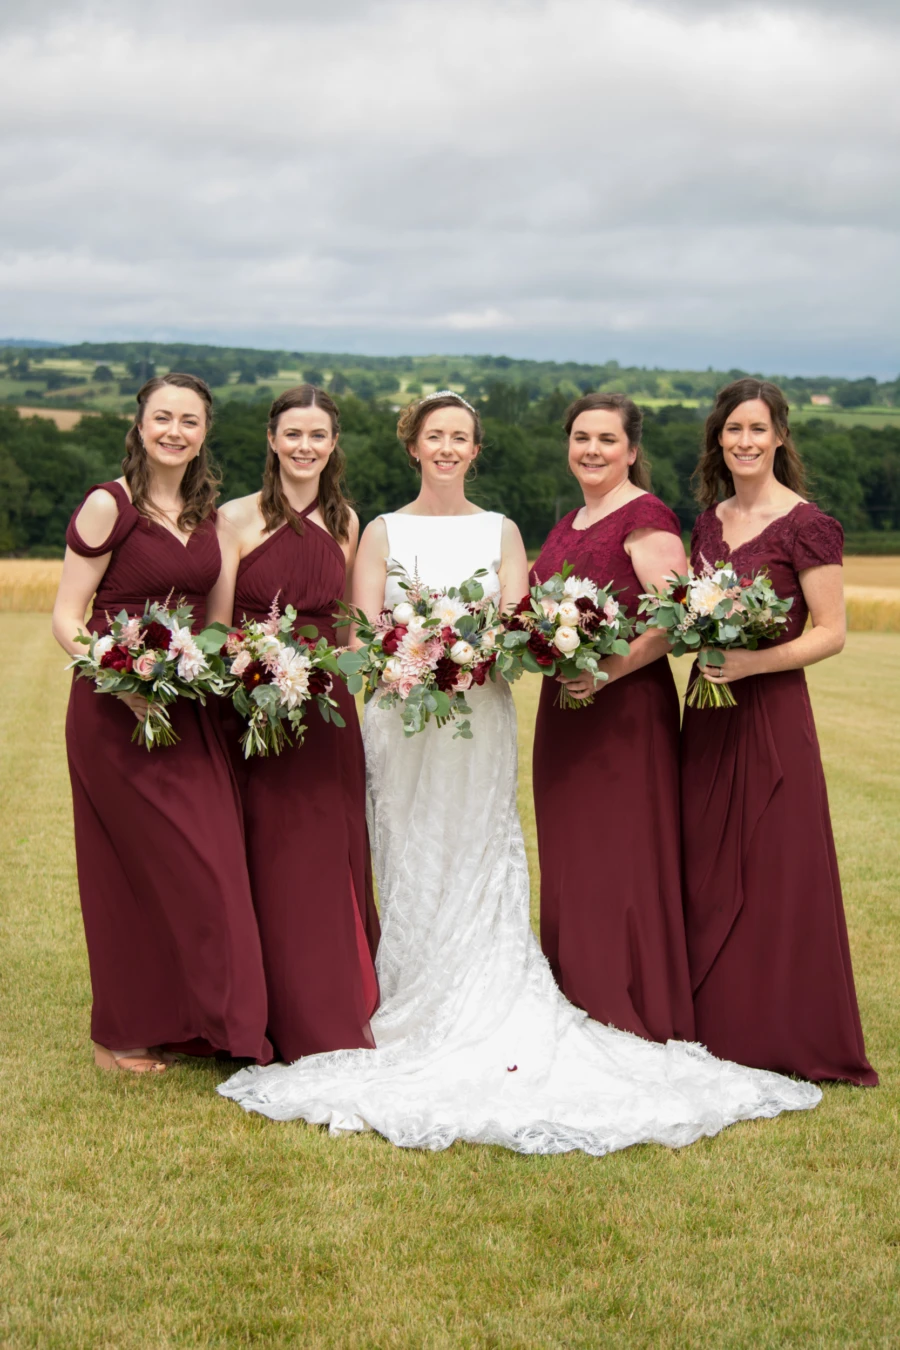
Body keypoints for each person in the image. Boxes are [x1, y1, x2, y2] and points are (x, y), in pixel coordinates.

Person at [219, 390, 820, 1157]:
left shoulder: (503, 530)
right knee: (404, 851)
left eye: (460, 437)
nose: (446, 448)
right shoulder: (377, 530)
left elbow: (516, 622)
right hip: (401, 719)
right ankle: (398, 993)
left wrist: (466, 651)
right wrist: (413, 654)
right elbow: (362, 629)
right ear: (414, 447)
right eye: (434, 436)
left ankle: (492, 991)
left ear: (476, 450)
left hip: (480, 715)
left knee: (476, 848)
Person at [52, 373, 270, 1073]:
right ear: (139, 424)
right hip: (115, 715)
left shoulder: (210, 517)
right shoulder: (106, 506)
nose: (175, 431)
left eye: (190, 421)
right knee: (127, 872)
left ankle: (205, 1025)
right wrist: (119, 679)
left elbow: (212, 625)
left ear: (206, 432)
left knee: (213, 865)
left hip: (189, 709)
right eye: (163, 418)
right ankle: (118, 1037)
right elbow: (66, 616)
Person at [681, 378, 877, 1086]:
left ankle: (781, 1026)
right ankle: (714, 1021)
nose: (743, 441)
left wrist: (753, 662)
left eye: (757, 429)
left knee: (775, 864)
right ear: (719, 440)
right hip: (705, 712)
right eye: (732, 429)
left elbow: (832, 633)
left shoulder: (807, 525)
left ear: (780, 437)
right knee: (704, 861)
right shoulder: (707, 521)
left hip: (770, 712)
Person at [207, 385, 379, 1062]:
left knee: (321, 846)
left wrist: (324, 670)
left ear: (333, 445)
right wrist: (259, 668)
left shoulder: (347, 522)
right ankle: (259, 1006)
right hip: (250, 697)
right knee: (259, 847)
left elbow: (347, 623)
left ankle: (330, 996)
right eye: (294, 434)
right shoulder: (235, 519)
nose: (306, 446)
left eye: (319, 435)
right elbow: (219, 625)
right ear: (272, 440)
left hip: (325, 701)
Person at [531, 393, 694, 1042]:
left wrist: (607, 670)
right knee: (570, 857)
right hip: (564, 714)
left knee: (618, 857)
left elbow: (677, 617)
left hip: (625, 712)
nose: (591, 450)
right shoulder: (570, 521)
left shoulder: (648, 518)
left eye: (606, 439)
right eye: (580, 437)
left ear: (631, 451)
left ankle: (625, 1005)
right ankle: (574, 992)